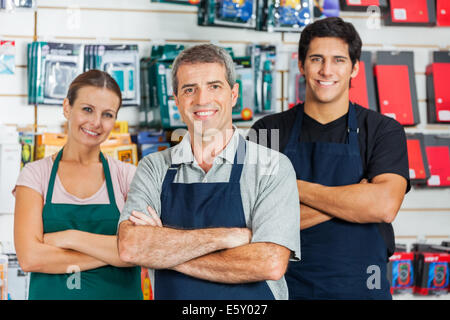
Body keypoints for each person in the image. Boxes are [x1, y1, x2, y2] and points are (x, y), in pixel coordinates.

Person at [117, 44, 300, 300]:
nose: (202, 100)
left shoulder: (271, 167)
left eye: (214, 86)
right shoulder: (154, 168)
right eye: (189, 89)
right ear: (176, 99)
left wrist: (163, 253)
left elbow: (268, 263)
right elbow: (131, 247)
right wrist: (229, 237)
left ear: (234, 95)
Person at [249, 17, 410, 300]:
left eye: (338, 60)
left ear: (354, 68)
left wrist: (290, 187)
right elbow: (254, 221)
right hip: (285, 287)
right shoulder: (267, 131)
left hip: (361, 289)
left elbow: (383, 206)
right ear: (301, 65)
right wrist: (356, 199)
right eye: (316, 59)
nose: (326, 70)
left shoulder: (384, 130)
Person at [13, 70, 142, 300]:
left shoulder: (128, 176)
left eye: (107, 114)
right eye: (87, 109)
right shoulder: (35, 176)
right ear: (67, 108)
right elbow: (30, 258)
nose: (96, 122)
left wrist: (71, 238)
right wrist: (115, 253)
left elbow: (142, 249)